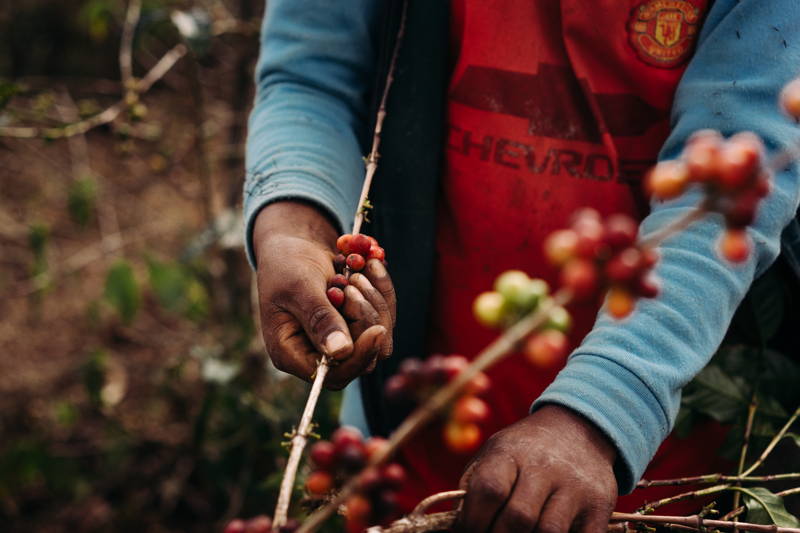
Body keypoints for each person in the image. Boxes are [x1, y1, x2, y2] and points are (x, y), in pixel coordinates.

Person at [244, 1, 800, 532]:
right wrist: (294, 226)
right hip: (412, 427)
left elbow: (734, 172)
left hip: (669, 458)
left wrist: (601, 411)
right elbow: (312, 77)